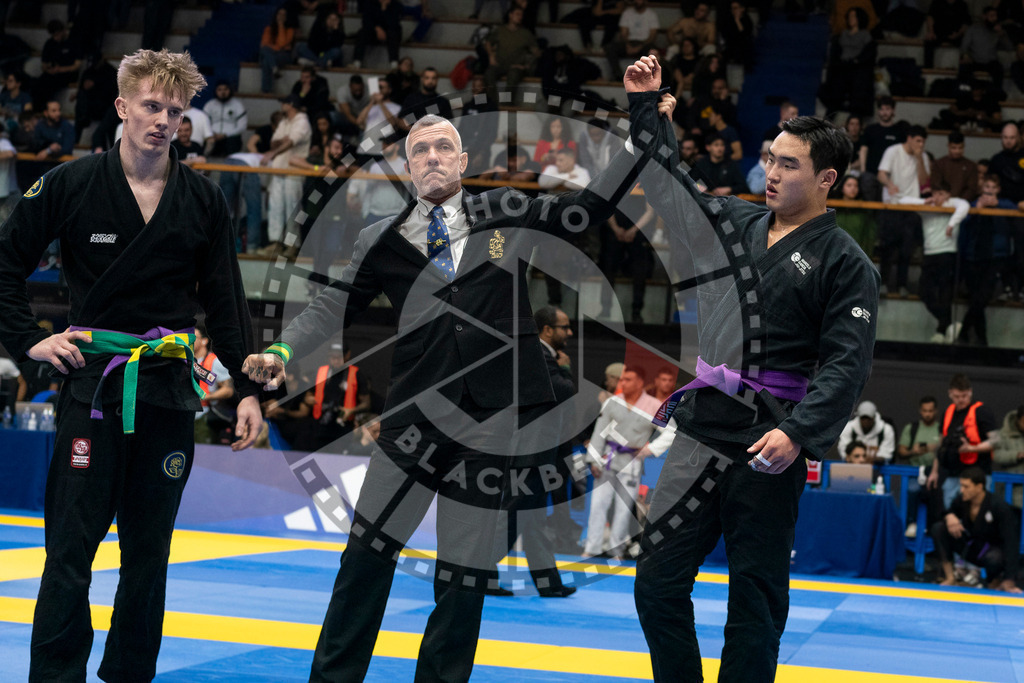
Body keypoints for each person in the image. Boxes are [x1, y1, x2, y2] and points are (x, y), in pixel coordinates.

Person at [240, 110, 635, 681]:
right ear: (406, 166)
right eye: (420, 149)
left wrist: (641, 132)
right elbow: (332, 307)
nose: (431, 157)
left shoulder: (504, 210)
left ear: (463, 161)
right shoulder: (380, 236)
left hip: (492, 422)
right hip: (412, 420)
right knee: (365, 557)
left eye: (443, 148)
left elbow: (590, 208)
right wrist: (281, 353)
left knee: (464, 572)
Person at [0, 48, 261, 681]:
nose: (164, 120)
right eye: (151, 106)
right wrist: (30, 341)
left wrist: (249, 391)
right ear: (121, 107)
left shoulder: (203, 199)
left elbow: (227, 304)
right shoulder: (69, 183)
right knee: (70, 551)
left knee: (149, 557)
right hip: (92, 385)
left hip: (169, 391)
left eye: (176, 111)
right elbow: (4, 268)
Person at [624, 55, 878, 682]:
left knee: (755, 602)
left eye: (789, 165)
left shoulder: (847, 265)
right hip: (701, 428)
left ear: (827, 179)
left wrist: (799, 434)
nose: (771, 173)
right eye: (770, 158)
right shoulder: (736, 221)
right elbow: (669, 189)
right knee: (655, 583)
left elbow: (847, 364)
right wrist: (644, 108)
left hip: (770, 440)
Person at [583, 365, 674, 559]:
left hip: (632, 460)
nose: (622, 383)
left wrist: (649, 449)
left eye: (627, 380)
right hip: (608, 457)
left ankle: (617, 550)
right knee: (599, 504)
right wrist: (593, 460)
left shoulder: (653, 405)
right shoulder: (612, 402)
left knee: (624, 508)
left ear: (640, 382)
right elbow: (599, 432)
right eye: (622, 380)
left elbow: (671, 432)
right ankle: (592, 548)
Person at [931, 466, 1021, 592]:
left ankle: (995, 582)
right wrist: (949, 516)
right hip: (971, 548)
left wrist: (1010, 579)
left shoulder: (999, 506)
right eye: (961, 485)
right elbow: (946, 511)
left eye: (966, 486)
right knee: (939, 528)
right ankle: (950, 577)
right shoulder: (963, 500)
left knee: (995, 557)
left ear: (979, 487)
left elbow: (1011, 543)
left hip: (992, 553)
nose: (961, 490)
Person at [898, 185, 968, 342]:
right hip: (929, 254)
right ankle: (947, 324)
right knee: (924, 291)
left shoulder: (953, 204)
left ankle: (941, 331)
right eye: (935, 194)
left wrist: (951, 224)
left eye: (941, 193)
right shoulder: (927, 206)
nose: (938, 197)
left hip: (948, 253)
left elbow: (964, 206)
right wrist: (925, 200)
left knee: (945, 293)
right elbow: (902, 201)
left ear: (948, 195)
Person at [926, 373, 999, 510]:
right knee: (950, 513)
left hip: (977, 476)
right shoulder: (948, 412)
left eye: (964, 396)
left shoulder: (981, 411)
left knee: (977, 513)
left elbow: (995, 441)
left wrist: (971, 448)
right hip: (953, 475)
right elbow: (941, 445)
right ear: (950, 394)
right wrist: (934, 471)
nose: (961, 400)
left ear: (970, 392)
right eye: (957, 396)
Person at [957, 175, 1014, 345]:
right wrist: (977, 209)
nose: (989, 190)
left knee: (982, 298)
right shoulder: (974, 204)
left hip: (995, 258)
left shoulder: (1004, 204)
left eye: (993, 187)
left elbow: (1014, 209)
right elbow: (964, 221)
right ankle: (981, 340)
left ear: (998, 189)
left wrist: (996, 205)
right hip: (974, 257)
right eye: (987, 186)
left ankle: (965, 332)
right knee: (976, 298)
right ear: (982, 188)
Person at [877, 125, 928, 297]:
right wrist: (890, 185)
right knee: (888, 248)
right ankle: (883, 283)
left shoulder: (923, 157)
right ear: (909, 138)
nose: (920, 144)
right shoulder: (893, 151)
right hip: (892, 206)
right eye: (918, 140)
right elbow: (881, 174)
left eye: (923, 141)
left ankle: (902, 285)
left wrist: (919, 158)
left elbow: (923, 182)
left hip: (911, 207)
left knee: (907, 251)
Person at [260, 93, 311, 257]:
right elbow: (274, 141)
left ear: (291, 104)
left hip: (293, 171)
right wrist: (283, 142)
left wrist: (275, 150)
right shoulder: (284, 122)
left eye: (284, 102)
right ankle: (275, 242)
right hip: (279, 169)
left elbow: (290, 142)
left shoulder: (302, 121)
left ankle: (292, 245)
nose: (282, 105)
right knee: (275, 208)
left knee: (292, 209)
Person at [483, 7, 541, 100]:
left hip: (515, 66)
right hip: (500, 64)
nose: (520, 17)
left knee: (513, 78)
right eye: (518, 14)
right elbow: (488, 43)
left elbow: (536, 52)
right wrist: (491, 56)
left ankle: (506, 103)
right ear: (511, 15)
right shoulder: (500, 30)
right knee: (489, 75)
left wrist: (526, 65)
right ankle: (492, 102)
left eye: (521, 15)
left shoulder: (526, 33)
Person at [858, 96, 909, 200]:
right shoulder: (870, 129)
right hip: (871, 173)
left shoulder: (899, 131)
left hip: (891, 175)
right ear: (878, 111)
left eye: (887, 109)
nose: (884, 112)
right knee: (869, 204)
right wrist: (863, 170)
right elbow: (863, 150)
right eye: (882, 109)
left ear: (893, 110)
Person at [604, 0, 659, 81]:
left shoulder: (652, 15)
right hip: (629, 42)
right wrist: (627, 45)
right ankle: (618, 76)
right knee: (610, 47)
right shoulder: (627, 13)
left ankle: (644, 78)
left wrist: (640, 47)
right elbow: (623, 33)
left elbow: (652, 36)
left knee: (652, 51)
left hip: (645, 43)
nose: (638, 1)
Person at [831, 174, 875, 256]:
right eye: (849, 185)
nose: (853, 188)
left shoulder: (863, 211)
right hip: (834, 253)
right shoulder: (832, 210)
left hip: (856, 255)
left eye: (856, 186)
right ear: (842, 188)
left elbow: (868, 237)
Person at [203, 81, 248, 157]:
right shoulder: (210, 105)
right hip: (214, 136)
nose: (223, 92)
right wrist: (211, 133)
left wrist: (225, 135)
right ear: (215, 91)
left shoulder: (237, 105)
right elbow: (204, 123)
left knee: (234, 140)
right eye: (219, 90)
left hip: (230, 138)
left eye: (225, 89)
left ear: (230, 90)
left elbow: (242, 126)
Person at [931, 130, 979, 203]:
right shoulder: (939, 164)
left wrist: (958, 201)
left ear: (964, 146)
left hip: (963, 204)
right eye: (954, 148)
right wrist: (946, 198)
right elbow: (936, 185)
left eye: (960, 148)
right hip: (942, 202)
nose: (957, 151)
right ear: (948, 146)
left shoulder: (971, 166)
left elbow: (971, 189)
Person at [352, 0, 402, 69]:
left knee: (393, 33)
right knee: (362, 32)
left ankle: (394, 64)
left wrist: (384, 9)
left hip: (390, 32)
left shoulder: (396, 5)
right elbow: (366, 21)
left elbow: (394, 23)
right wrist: (377, 28)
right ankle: (357, 62)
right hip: (374, 32)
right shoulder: (370, 3)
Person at [258, 7, 295, 94]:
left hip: (283, 55)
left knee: (267, 59)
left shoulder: (290, 30)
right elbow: (263, 44)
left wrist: (281, 26)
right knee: (265, 52)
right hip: (271, 53)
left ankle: (266, 90)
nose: (281, 16)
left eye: (283, 15)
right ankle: (274, 68)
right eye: (279, 14)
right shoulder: (268, 29)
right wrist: (277, 48)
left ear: (286, 17)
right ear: (276, 15)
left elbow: (282, 43)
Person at [897, 396, 941, 467]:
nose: (927, 414)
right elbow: (901, 451)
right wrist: (913, 452)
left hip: (935, 471)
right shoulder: (911, 428)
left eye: (930, 411)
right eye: (925, 411)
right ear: (920, 411)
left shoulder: (941, 429)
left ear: (936, 411)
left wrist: (935, 448)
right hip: (914, 470)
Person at [994, 405, 1024, 506]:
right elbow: (996, 455)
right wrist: (1017, 455)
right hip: (1012, 488)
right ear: (1018, 420)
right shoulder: (1003, 434)